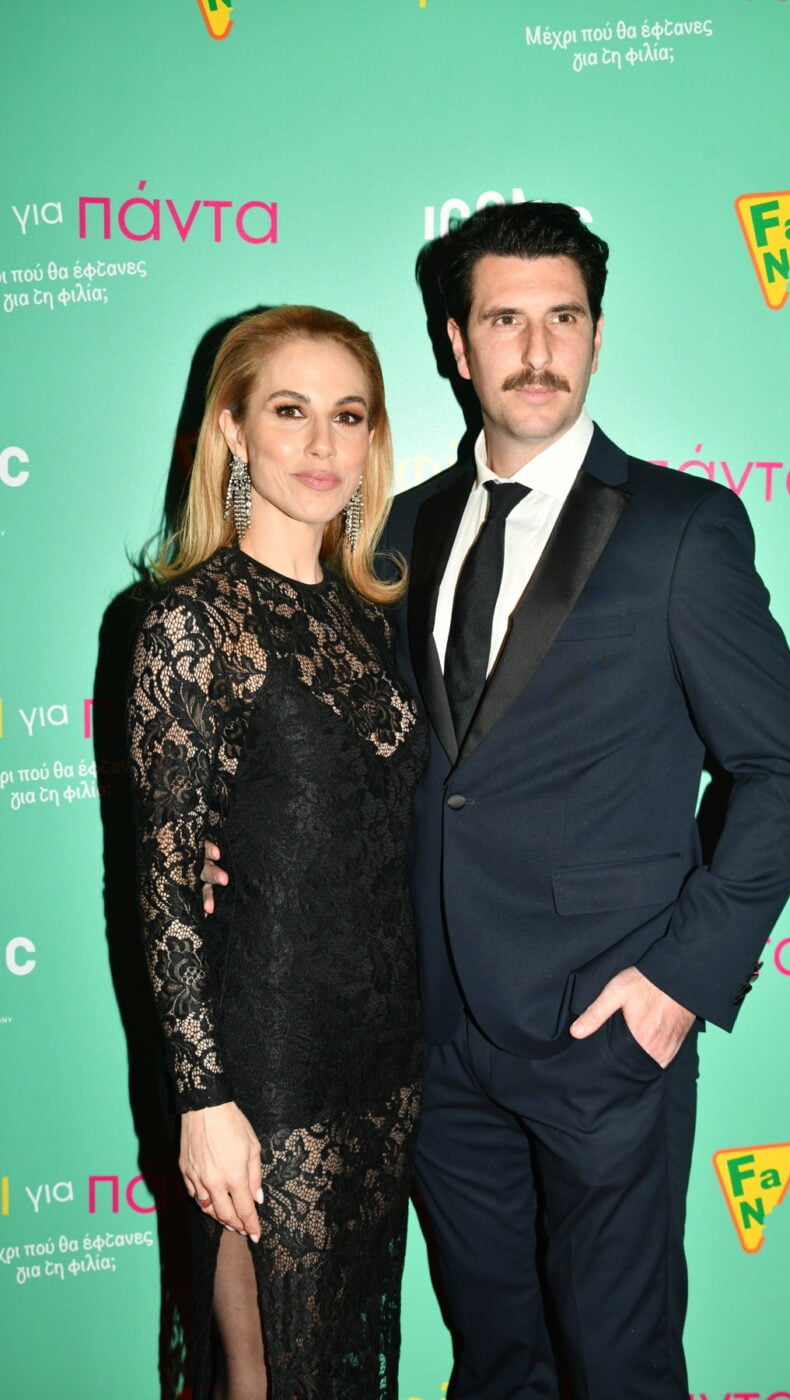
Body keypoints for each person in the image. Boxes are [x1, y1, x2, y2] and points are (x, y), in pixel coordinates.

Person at [204, 203, 790, 1399]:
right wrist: (235, 847)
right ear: (456, 343)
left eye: (563, 318)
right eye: (504, 321)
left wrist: (679, 981)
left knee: (619, 1363)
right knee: (497, 1364)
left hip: (606, 1029)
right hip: (433, 1034)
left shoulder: (681, 528)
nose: (537, 351)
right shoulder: (395, 530)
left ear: (596, 334)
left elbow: (787, 770)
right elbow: (354, 754)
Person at [128, 305, 426, 1400]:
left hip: (386, 1054)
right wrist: (203, 1100)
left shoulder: (371, 614)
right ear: (233, 430)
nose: (321, 444)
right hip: (263, 1062)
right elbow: (163, 885)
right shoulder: (191, 623)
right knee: (266, 1378)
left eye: (348, 415)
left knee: (350, 1368)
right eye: (290, 411)